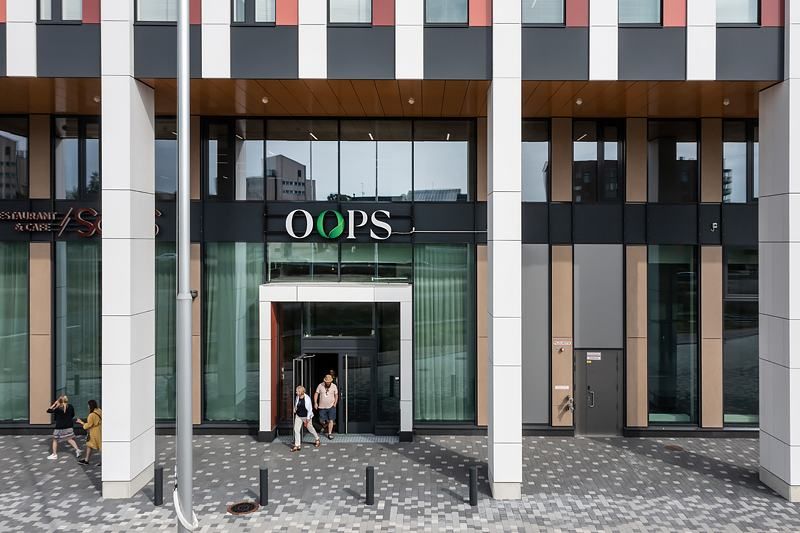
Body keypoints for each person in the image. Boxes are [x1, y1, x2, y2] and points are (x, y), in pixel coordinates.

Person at [46, 396, 80, 460]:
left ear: (59, 401)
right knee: (69, 439)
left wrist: (54, 404)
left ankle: (54, 455)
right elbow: (73, 415)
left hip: (59, 427)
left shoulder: (58, 408)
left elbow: (48, 410)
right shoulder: (70, 406)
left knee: (55, 440)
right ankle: (77, 450)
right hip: (69, 425)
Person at [292, 386, 320, 452]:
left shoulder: (307, 398)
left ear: (301, 392)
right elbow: (297, 404)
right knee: (296, 430)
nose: (296, 392)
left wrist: (307, 419)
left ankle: (317, 438)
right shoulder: (297, 397)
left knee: (310, 429)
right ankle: (297, 445)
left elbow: (310, 409)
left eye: (297, 391)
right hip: (299, 416)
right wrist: (295, 408)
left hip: (306, 416)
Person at [76, 400, 102, 466]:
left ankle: (103, 461)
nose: (87, 406)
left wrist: (81, 422)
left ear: (90, 406)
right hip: (100, 429)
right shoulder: (99, 410)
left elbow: (88, 425)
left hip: (94, 432)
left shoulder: (91, 415)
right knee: (89, 445)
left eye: (88, 405)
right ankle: (86, 460)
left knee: (100, 446)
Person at [314, 374, 338, 440]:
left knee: (331, 420)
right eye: (327, 382)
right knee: (321, 420)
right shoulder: (320, 385)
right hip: (322, 406)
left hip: (331, 406)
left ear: (331, 381)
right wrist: (315, 403)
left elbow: (336, 395)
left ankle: (329, 433)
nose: (328, 383)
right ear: (325, 381)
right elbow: (316, 393)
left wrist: (335, 403)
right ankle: (326, 425)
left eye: (329, 382)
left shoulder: (334, 386)